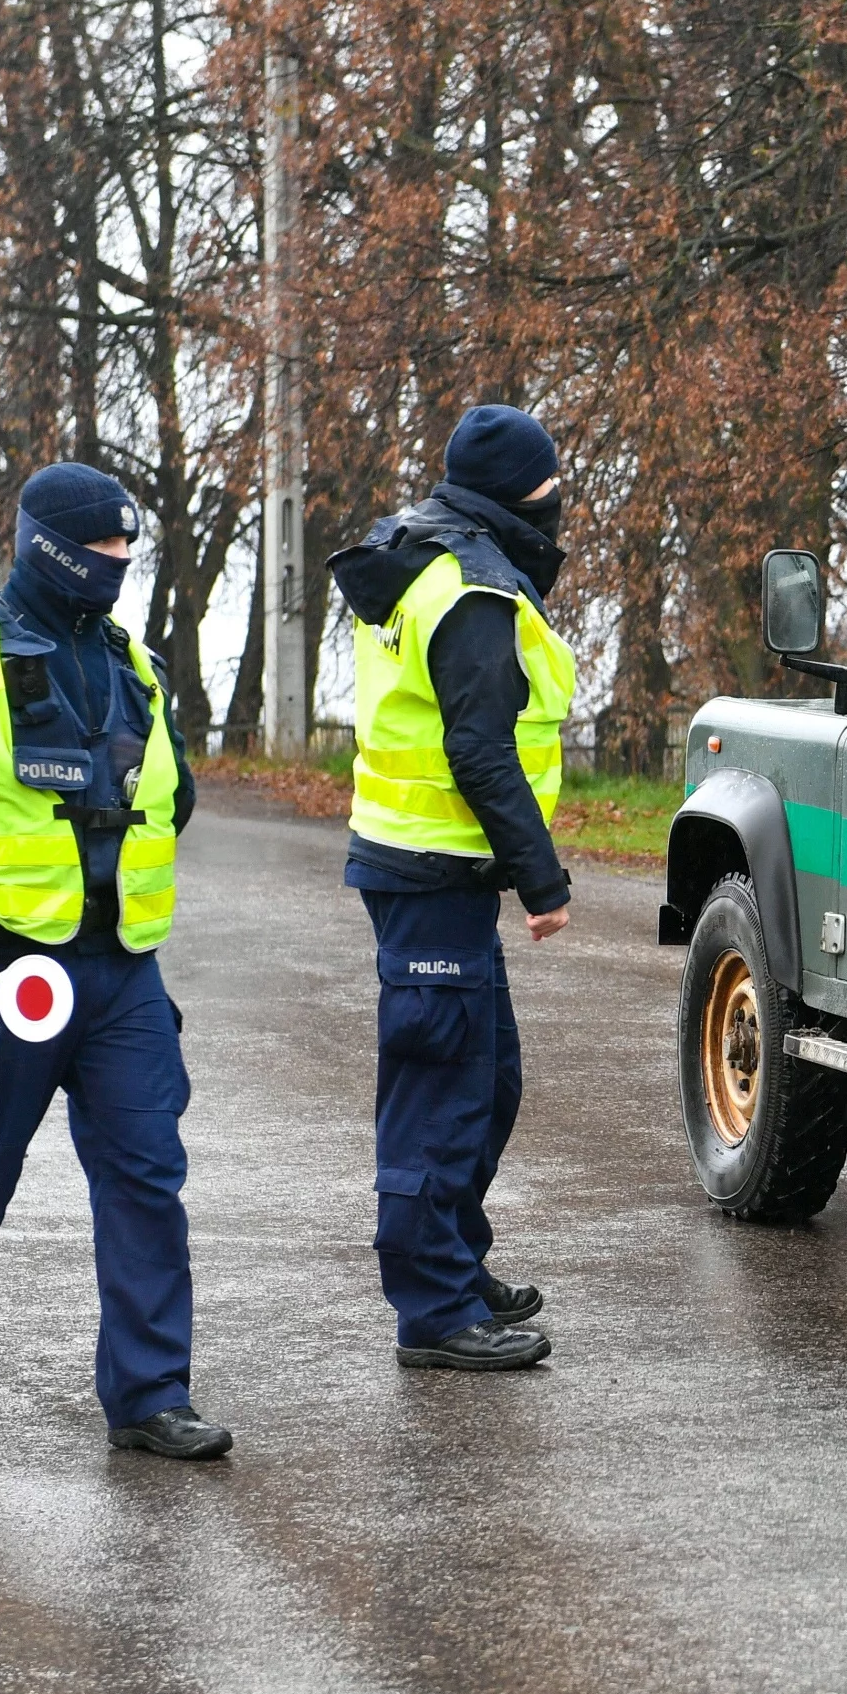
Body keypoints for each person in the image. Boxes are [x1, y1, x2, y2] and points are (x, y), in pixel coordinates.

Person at [0, 463, 229, 1458]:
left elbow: (173, 793)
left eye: (127, 552)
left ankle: (151, 1397)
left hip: (121, 975)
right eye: (106, 550)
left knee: (147, 1179)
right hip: (0, 976)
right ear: (54, 547)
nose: (119, 566)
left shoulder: (130, 660)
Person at [330, 404, 576, 1372]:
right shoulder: (471, 588)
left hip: (427, 866)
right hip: (431, 869)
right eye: (550, 490)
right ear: (519, 494)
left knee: (489, 1080)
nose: (560, 506)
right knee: (438, 1093)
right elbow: (477, 749)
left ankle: (454, 1262)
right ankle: (431, 1309)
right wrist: (540, 879)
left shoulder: (419, 550)